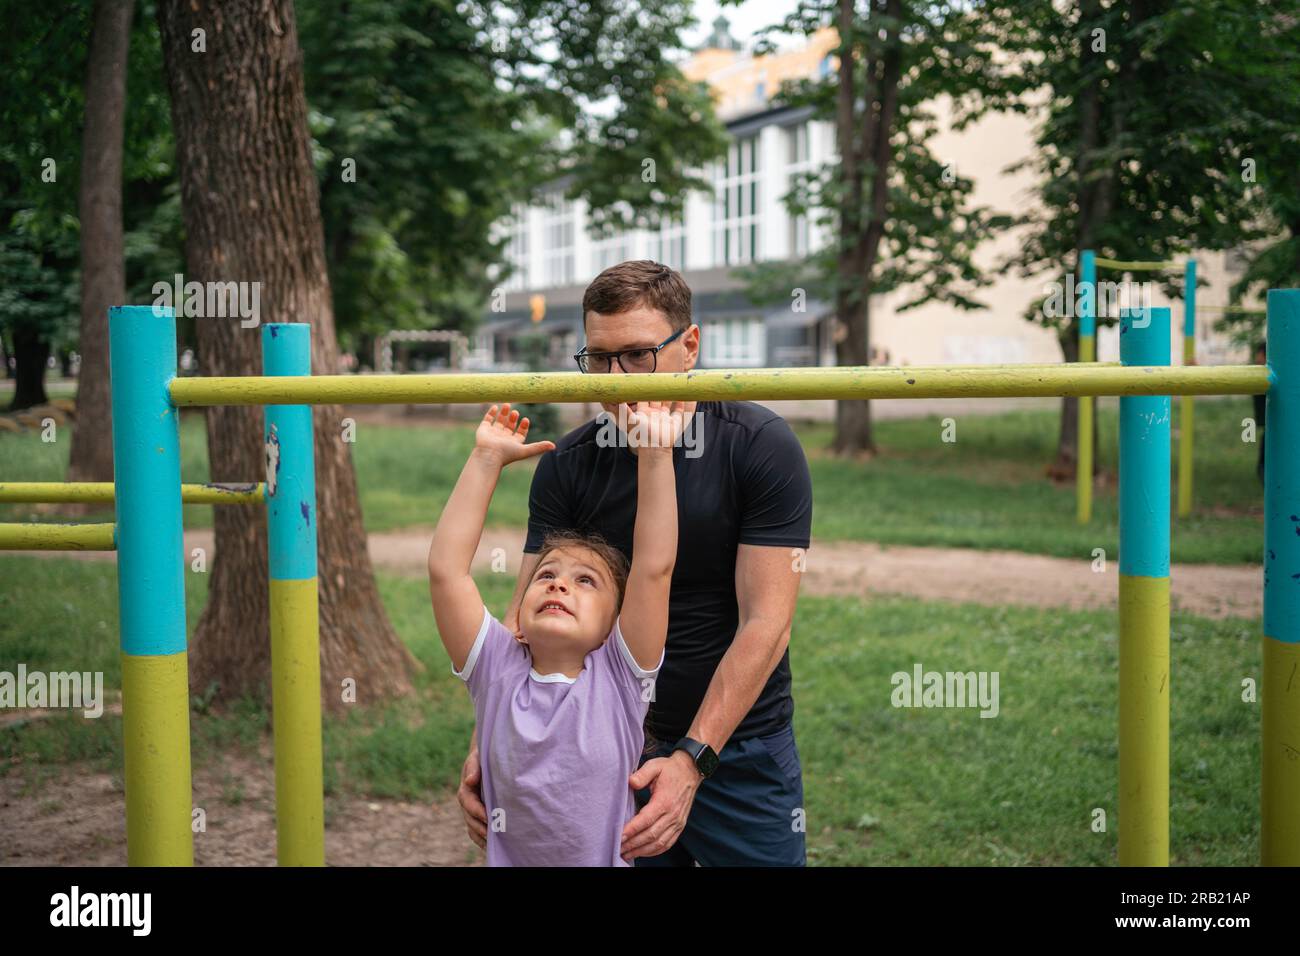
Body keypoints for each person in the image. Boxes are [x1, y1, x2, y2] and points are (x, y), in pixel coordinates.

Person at [457, 260, 814, 865]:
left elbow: (767, 623)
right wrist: (488, 742)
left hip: (738, 746)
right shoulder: (568, 464)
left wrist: (692, 760)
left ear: (689, 346)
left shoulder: (758, 445)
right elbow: (526, 624)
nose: (616, 378)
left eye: (638, 355)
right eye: (599, 358)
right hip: (599, 751)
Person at [427, 399, 685, 865]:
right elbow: (447, 570)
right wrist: (486, 459)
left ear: (614, 628)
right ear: (521, 617)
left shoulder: (620, 680)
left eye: (586, 581)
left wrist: (655, 455)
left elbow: (653, 568)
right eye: (545, 575)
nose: (560, 583)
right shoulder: (496, 668)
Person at [1253, 340, 1267, 484]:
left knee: (1264, 468)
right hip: (1269, 429)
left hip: (1273, 431)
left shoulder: (1264, 376)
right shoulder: (1257, 374)